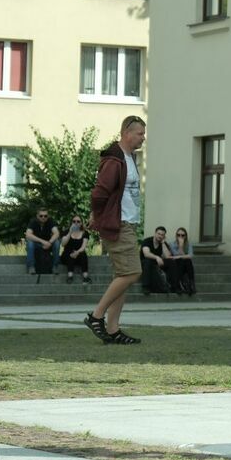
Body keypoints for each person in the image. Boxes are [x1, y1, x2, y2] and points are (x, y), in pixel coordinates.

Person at [84, 115, 146, 345]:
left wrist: (95, 214)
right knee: (132, 273)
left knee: (123, 275)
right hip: (118, 224)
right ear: (126, 133)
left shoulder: (129, 158)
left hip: (127, 222)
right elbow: (100, 192)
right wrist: (97, 214)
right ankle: (96, 316)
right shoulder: (115, 159)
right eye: (140, 133)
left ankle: (112, 329)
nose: (143, 138)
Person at [23, 207, 58, 276]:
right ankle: (31, 267)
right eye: (41, 216)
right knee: (30, 243)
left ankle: (55, 266)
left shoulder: (50, 221)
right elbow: (28, 234)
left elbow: (56, 233)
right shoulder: (33, 222)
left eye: (45, 216)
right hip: (36, 244)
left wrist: (50, 242)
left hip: (48, 244)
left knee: (56, 243)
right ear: (37, 216)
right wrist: (43, 241)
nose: (43, 217)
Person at [140, 226, 173, 295]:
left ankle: (173, 286)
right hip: (145, 263)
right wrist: (157, 257)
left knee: (171, 262)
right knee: (148, 261)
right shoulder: (147, 241)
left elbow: (167, 256)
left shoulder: (163, 243)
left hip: (157, 263)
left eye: (162, 235)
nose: (160, 236)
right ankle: (145, 287)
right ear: (155, 233)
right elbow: (146, 254)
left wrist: (163, 243)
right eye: (159, 234)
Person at [60, 215, 92, 284]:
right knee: (70, 254)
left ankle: (85, 276)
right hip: (66, 255)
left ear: (81, 223)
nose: (76, 223)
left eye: (78, 221)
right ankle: (70, 276)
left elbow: (83, 247)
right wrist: (70, 232)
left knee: (83, 254)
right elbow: (63, 244)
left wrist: (77, 252)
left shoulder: (85, 233)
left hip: (79, 255)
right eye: (74, 221)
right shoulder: (66, 232)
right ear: (71, 223)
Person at [169, 227, 197, 296]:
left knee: (187, 261)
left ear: (186, 236)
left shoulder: (189, 244)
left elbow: (190, 255)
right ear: (176, 235)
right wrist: (181, 246)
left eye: (182, 235)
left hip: (185, 265)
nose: (180, 237)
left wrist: (180, 256)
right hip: (176, 265)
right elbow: (176, 255)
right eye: (178, 235)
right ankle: (188, 284)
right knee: (184, 260)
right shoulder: (172, 244)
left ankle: (191, 283)